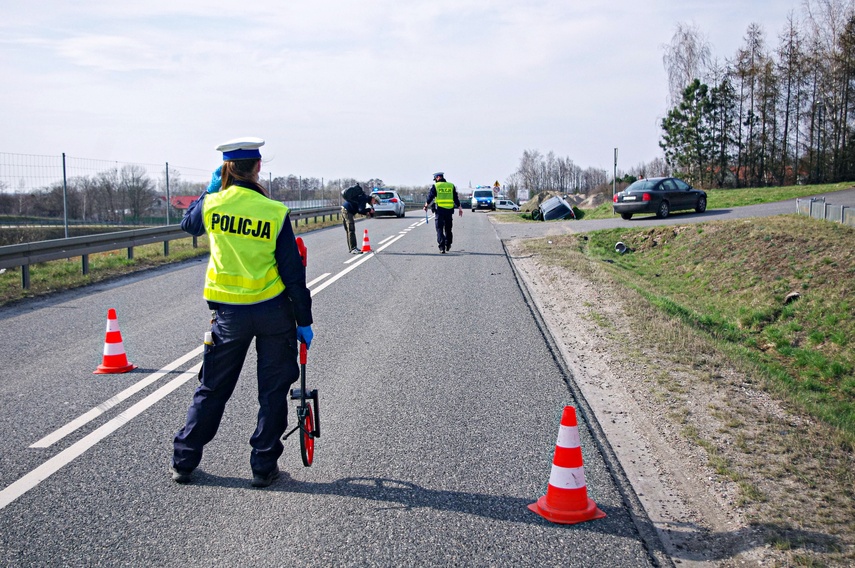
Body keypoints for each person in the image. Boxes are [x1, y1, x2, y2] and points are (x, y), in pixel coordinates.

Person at [171, 137, 314, 488]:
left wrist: (209, 191)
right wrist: (304, 320)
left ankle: (184, 461)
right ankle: (263, 466)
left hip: (229, 316)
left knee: (213, 388)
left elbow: (188, 225)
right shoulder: (274, 211)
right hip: (273, 312)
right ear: (258, 167)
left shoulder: (213, 205)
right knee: (272, 391)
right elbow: (292, 271)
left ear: (225, 169)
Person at [423, 172, 463, 253]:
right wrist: (459, 207)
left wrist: (426, 205)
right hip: (449, 211)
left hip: (439, 211)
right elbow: (455, 198)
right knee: (448, 228)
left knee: (439, 229)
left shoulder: (436, 186)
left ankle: (442, 247)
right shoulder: (451, 185)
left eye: (435, 179)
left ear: (438, 177)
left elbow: (430, 197)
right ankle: (448, 244)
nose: (435, 181)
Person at [341, 183, 377, 254]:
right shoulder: (364, 198)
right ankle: (353, 248)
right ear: (372, 199)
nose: (374, 203)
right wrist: (369, 210)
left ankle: (351, 248)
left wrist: (367, 212)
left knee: (348, 230)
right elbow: (361, 210)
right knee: (351, 229)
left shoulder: (363, 198)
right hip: (348, 211)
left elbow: (359, 209)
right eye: (375, 201)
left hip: (345, 209)